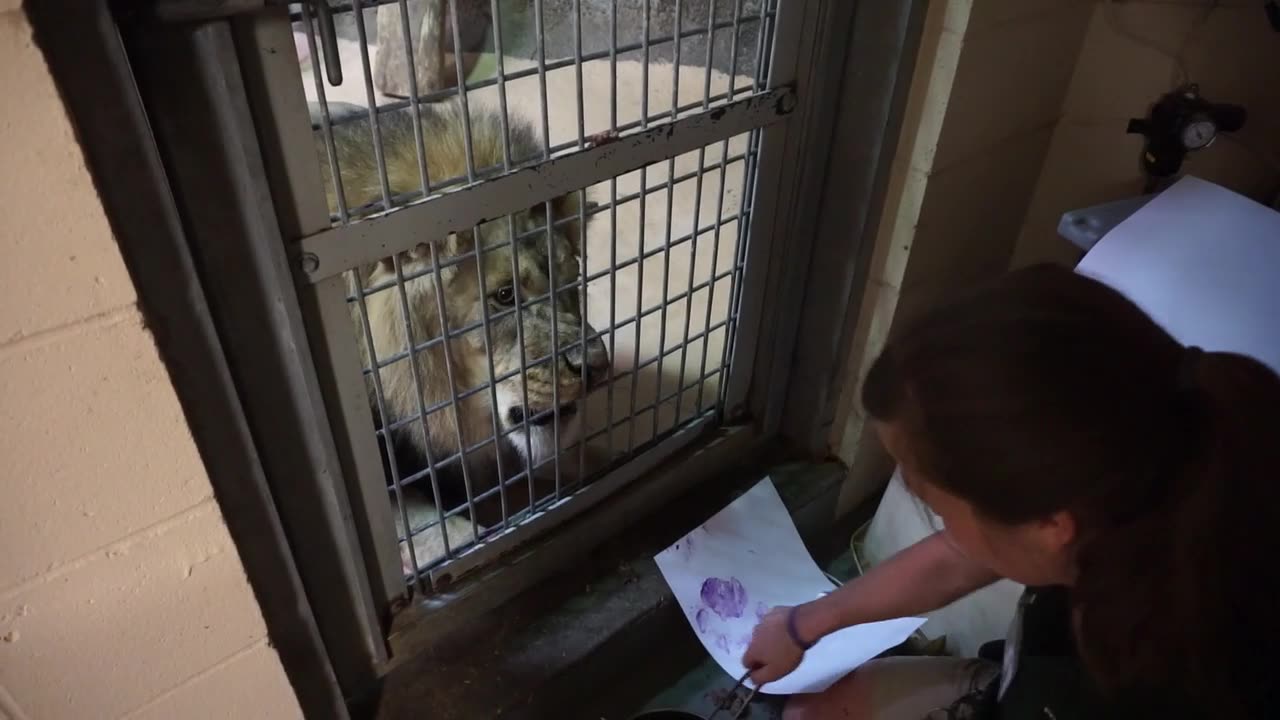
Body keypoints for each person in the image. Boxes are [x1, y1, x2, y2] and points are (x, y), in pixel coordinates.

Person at [742, 264, 1280, 719]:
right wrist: (803, 624)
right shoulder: (1150, 469)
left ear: (1049, 524)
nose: (946, 532)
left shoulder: (1152, 680)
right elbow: (961, 558)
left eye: (939, 511)